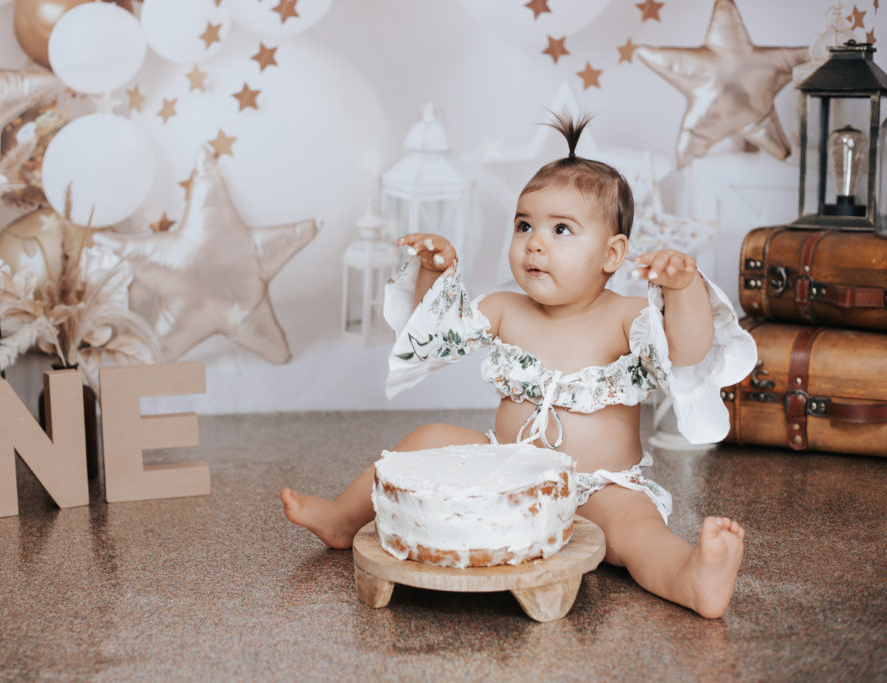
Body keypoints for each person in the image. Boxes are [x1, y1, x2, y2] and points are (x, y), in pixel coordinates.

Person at [281, 113, 758, 619]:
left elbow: (686, 353)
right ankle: (342, 517)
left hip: (597, 487)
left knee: (634, 534)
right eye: (524, 224)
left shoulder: (627, 318)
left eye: (561, 229)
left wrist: (683, 291)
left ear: (612, 254)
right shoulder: (507, 308)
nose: (535, 242)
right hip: (505, 472)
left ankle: (693, 576)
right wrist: (432, 274)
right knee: (426, 438)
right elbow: (435, 333)